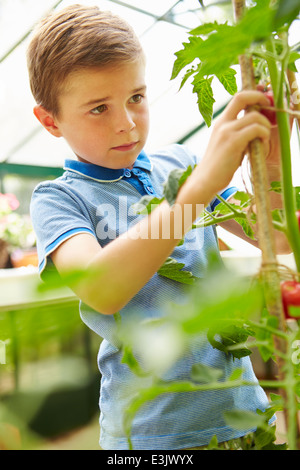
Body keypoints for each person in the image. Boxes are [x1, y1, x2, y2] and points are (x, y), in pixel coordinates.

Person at [27, 4, 288, 450]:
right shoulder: (59, 199)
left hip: (246, 415)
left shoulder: (183, 164)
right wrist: (197, 190)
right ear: (51, 120)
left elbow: (277, 236)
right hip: (155, 436)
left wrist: (271, 161)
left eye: (136, 97)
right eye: (98, 108)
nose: (126, 122)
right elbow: (102, 287)